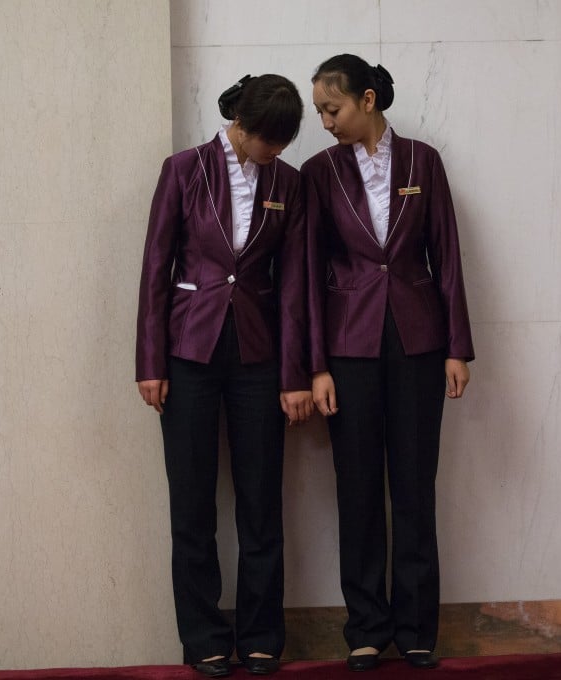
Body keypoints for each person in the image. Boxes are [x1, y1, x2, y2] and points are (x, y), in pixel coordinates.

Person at [301, 54, 474, 671]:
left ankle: (418, 625)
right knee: (357, 490)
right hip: (348, 350)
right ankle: (367, 626)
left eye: (332, 108)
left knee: (414, 486)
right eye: (320, 110)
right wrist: (315, 365)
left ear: (368, 101)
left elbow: (447, 256)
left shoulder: (423, 161)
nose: (323, 122)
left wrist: (458, 346)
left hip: (420, 344)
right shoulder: (317, 173)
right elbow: (307, 276)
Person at [136, 73, 312, 678]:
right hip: (187, 355)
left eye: (288, 142)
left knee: (262, 503)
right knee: (192, 505)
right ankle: (204, 637)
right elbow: (155, 268)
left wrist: (294, 375)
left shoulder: (287, 184)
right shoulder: (183, 170)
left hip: (260, 361)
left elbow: (292, 285)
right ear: (244, 126)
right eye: (274, 141)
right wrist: (150, 363)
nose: (280, 153)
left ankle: (262, 635)